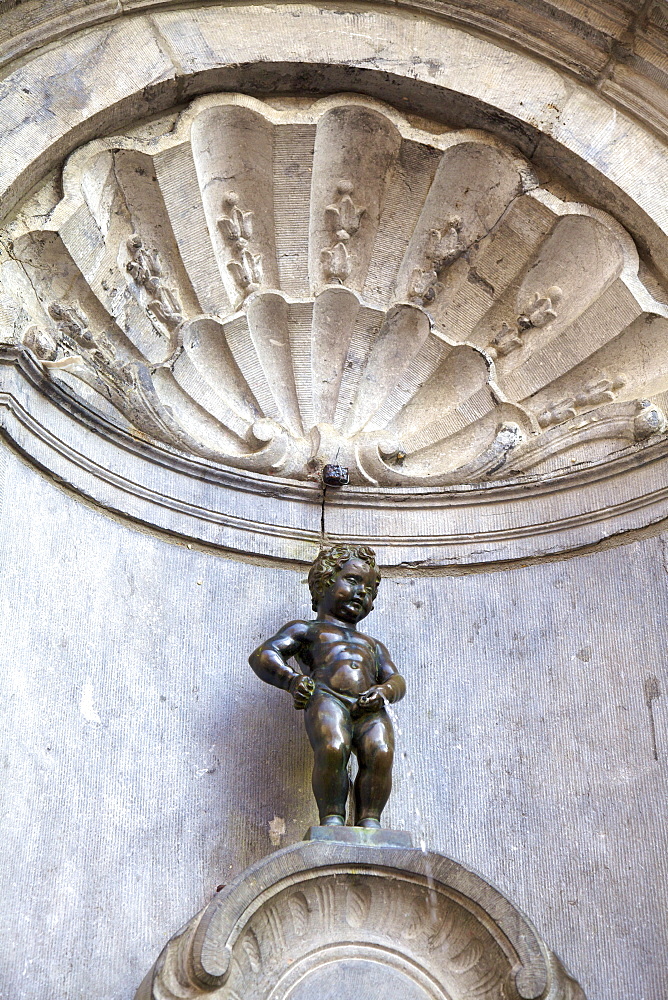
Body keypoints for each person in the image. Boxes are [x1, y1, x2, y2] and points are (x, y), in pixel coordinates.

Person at [249, 544, 406, 828]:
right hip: (327, 698)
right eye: (353, 580)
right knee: (334, 747)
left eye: (369, 589)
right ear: (324, 582)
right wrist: (292, 680)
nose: (362, 592)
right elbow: (264, 655)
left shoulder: (373, 645)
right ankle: (332, 818)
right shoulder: (306, 630)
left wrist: (384, 692)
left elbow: (396, 680)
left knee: (381, 752)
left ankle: (370, 820)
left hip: (369, 705)